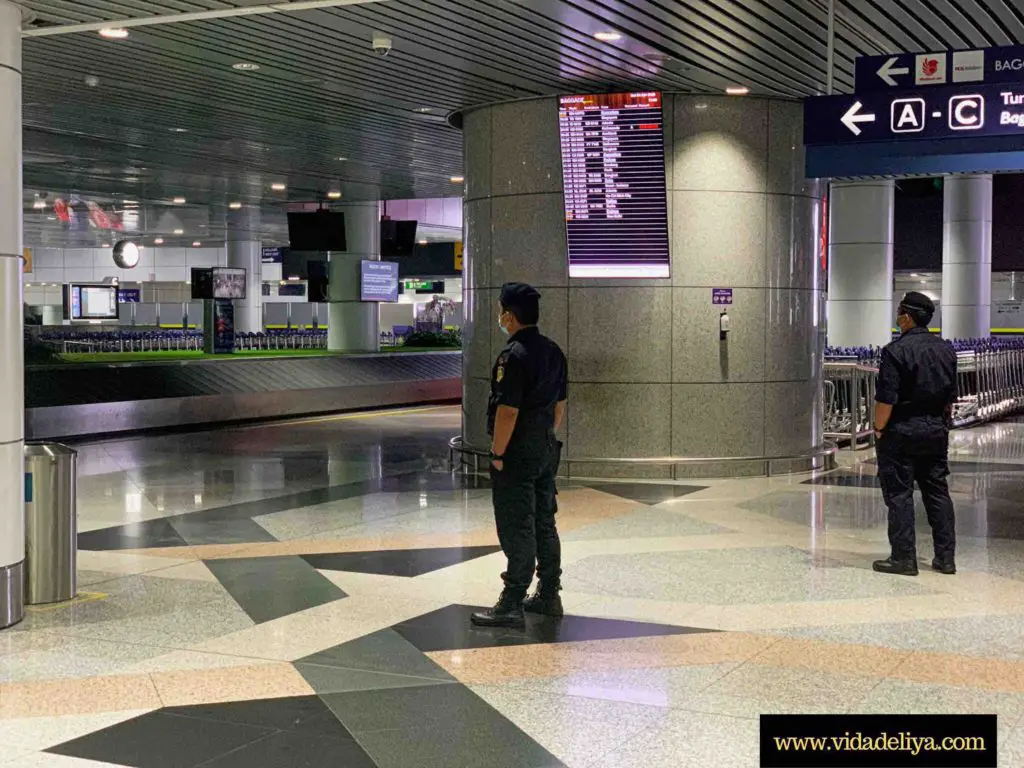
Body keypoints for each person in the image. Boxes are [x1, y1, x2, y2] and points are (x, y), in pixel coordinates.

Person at [471, 282, 568, 628]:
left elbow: (507, 412)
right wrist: (543, 435)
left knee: (517, 522)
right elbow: (559, 408)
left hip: (517, 451)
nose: (500, 317)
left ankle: (511, 601)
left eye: (501, 311)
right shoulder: (554, 351)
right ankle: (548, 593)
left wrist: (498, 453)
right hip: (545, 446)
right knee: (544, 519)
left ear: (509, 316)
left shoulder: (512, 356)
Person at [872, 291, 958, 577]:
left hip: (901, 432)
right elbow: (950, 397)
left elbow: (886, 399)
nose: (897, 318)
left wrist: (879, 429)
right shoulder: (946, 350)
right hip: (935, 431)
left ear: (906, 317)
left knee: (899, 495)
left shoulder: (894, 351)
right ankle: (946, 558)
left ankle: (903, 558)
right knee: (937, 492)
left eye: (899, 313)